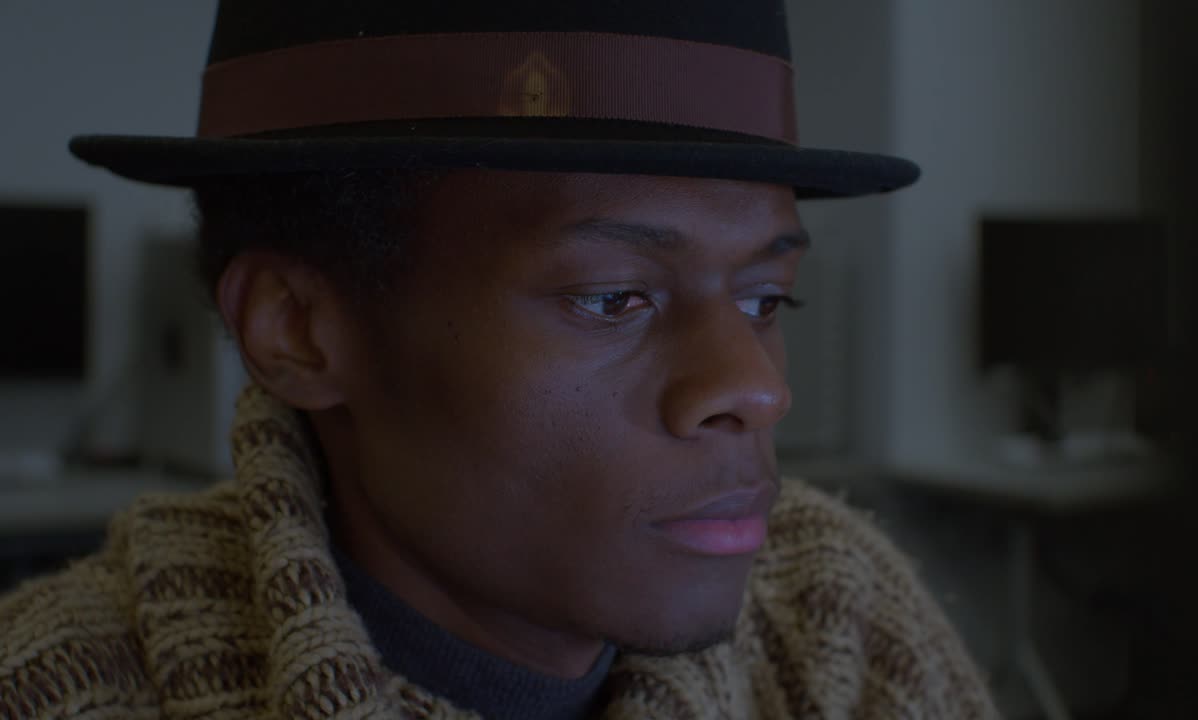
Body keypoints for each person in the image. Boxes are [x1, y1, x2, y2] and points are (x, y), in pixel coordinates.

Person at [0, 1, 998, 718]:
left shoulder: (837, 624)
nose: (757, 386)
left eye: (765, 299)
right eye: (612, 297)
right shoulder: (56, 687)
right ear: (296, 330)